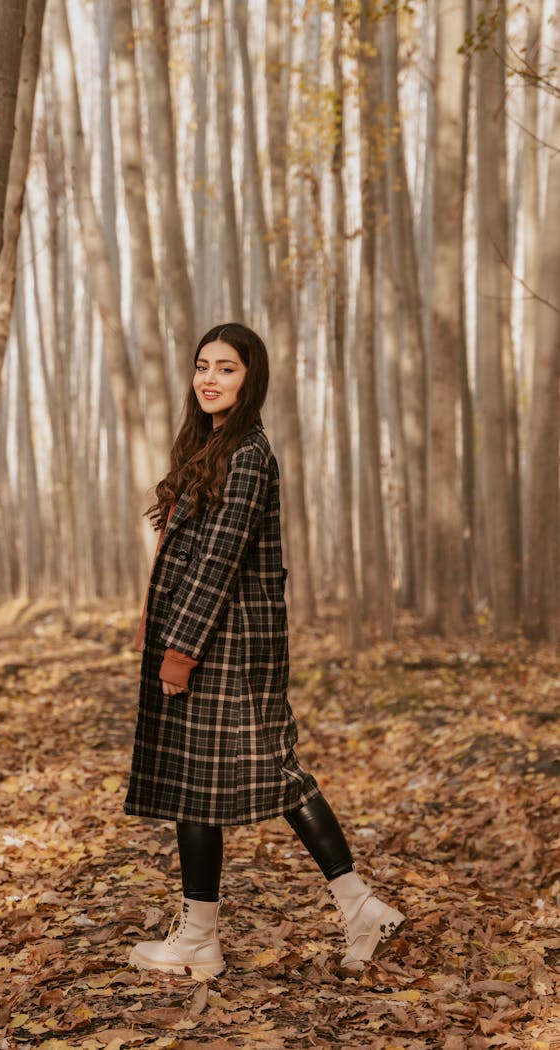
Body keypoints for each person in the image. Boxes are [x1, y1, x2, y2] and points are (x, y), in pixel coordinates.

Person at [124, 322, 404, 976]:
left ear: (250, 380)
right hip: (209, 639)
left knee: (275, 771)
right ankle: (201, 936)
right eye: (202, 366)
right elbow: (186, 552)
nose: (209, 379)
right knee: (200, 786)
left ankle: (354, 904)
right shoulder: (214, 446)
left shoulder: (249, 453)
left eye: (226, 368)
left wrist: (180, 652)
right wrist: (154, 629)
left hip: (230, 647)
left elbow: (219, 562)